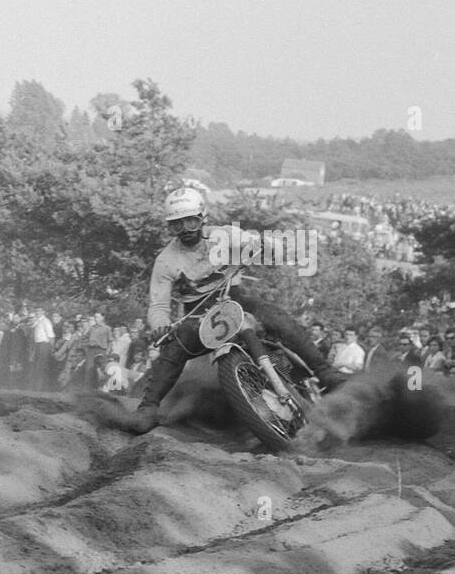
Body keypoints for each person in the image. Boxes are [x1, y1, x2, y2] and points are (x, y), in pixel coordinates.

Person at [118, 182, 342, 434]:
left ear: (203, 218)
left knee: (275, 316)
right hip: (198, 315)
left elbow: (257, 244)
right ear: (170, 226)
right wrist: (160, 326)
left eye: (191, 221)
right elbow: (158, 305)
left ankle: (326, 373)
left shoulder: (224, 236)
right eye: (176, 224)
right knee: (176, 344)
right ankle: (148, 408)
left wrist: (265, 246)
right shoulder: (166, 261)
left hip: (235, 298)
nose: (185, 229)